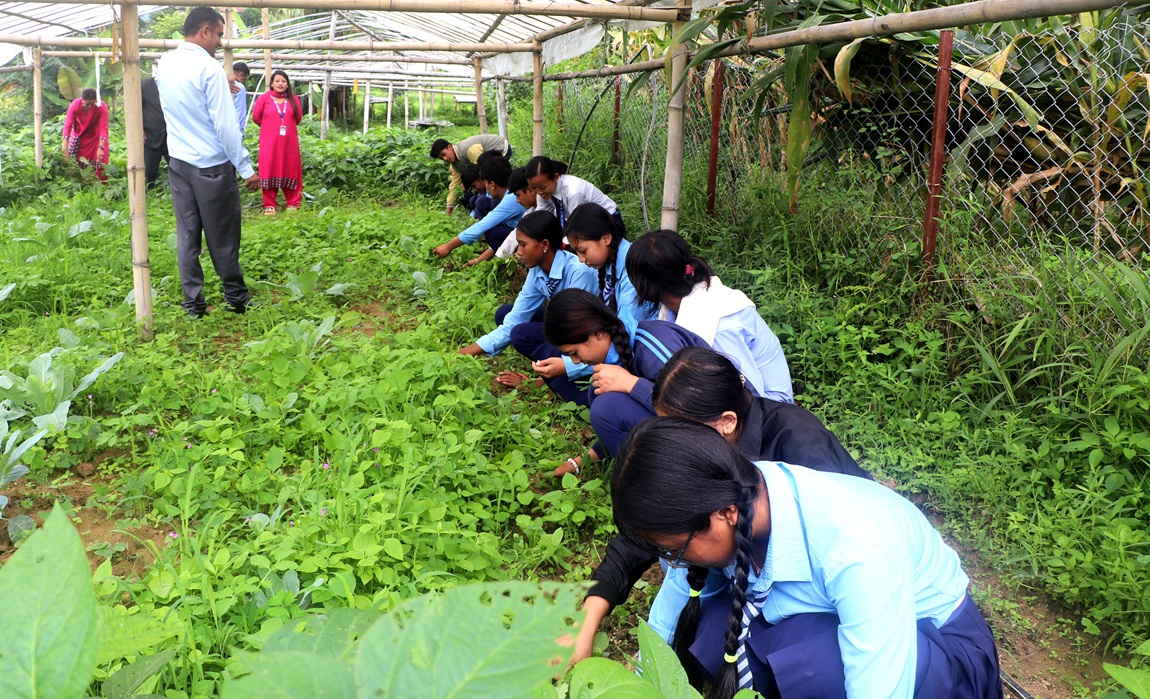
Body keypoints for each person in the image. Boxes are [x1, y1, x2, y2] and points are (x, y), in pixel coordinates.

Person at [611, 418, 1003, 699]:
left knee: (817, 664)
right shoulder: (738, 491)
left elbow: (881, 688)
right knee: (708, 616)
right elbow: (671, 611)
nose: (673, 564)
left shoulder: (859, 546)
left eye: (674, 550)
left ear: (724, 515)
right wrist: (639, 683)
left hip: (937, 652)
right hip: (832, 616)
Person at [571, 346, 871, 665]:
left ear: (727, 422)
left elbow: (844, 551)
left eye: (684, 433)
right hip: (746, 567)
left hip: (827, 590)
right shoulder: (703, 459)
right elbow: (652, 522)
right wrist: (588, 619)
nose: (674, 448)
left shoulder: (799, 443)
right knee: (705, 631)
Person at [156, 7, 259, 318]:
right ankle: (237, 299)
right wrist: (245, 167)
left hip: (179, 164)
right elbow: (226, 127)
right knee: (223, 235)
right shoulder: (209, 69)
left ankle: (193, 305)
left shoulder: (165, 64)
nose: (218, 42)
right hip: (212, 168)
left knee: (188, 236)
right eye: (217, 34)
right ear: (204, 31)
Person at [626, 229, 793, 403]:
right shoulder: (675, 307)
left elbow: (751, 392)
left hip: (769, 407)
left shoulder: (715, 324)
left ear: (645, 286)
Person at [543, 289, 709, 462]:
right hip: (691, 428)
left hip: (716, 437)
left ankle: (659, 478)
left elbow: (698, 413)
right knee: (599, 388)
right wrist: (586, 458)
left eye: (574, 352)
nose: (575, 362)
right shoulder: (620, 347)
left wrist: (631, 384)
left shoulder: (651, 348)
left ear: (596, 333)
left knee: (606, 406)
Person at [458, 212, 598, 385]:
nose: (518, 252)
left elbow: (577, 330)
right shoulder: (537, 270)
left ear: (544, 245)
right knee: (506, 314)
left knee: (520, 334)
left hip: (585, 334)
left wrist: (534, 383)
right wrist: (462, 354)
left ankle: (551, 376)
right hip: (565, 322)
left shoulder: (579, 272)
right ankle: (548, 366)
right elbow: (516, 318)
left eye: (523, 245)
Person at [433, 157, 524, 262]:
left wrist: (448, 246)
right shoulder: (510, 195)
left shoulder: (511, 199)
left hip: (528, 240)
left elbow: (483, 225)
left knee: (492, 232)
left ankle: (516, 260)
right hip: (521, 235)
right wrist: (478, 260)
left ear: (492, 184)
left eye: (485, 183)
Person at [251, 69, 304, 215]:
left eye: (283, 81)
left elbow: (298, 118)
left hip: (289, 143)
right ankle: (269, 205)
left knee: (291, 167)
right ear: (272, 84)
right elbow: (256, 117)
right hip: (270, 143)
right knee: (269, 167)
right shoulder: (264, 99)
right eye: (277, 81)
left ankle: (293, 202)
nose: (280, 84)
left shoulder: (294, 100)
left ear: (287, 84)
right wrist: (270, 128)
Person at [525, 156, 622, 233]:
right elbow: (543, 218)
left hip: (609, 222)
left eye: (542, 188)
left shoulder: (574, 192)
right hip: (586, 223)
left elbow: (577, 226)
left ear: (556, 177)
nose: (539, 192)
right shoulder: (542, 191)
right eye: (533, 188)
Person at [431, 135, 511, 215]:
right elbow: (454, 186)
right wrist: (449, 210)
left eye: (444, 154)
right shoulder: (454, 165)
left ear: (450, 147)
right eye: (441, 158)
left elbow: (480, 169)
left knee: (486, 184)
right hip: (484, 162)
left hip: (501, 149)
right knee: (469, 191)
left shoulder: (470, 149)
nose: (445, 159)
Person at [62, 87, 109, 182]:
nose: (90, 106)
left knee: (100, 159)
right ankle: (80, 182)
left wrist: (101, 147)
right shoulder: (75, 104)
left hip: (96, 137)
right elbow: (68, 126)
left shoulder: (101, 106)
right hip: (80, 136)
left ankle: (101, 185)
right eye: (87, 104)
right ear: (82, 100)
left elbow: (103, 128)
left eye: (92, 104)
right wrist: (65, 148)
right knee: (75, 161)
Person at [140, 77, 169, 188]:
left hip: (171, 135)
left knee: (178, 169)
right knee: (148, 172)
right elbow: (136, 108)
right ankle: (146, 195)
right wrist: (140, 129)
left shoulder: (174, 84)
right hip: (150, 135)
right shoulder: (145, 85)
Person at [230, 62, 251, 133]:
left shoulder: (220, 83)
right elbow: (240, 113)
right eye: (244, 79)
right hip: (234, 129)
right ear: (241, 75)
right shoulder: (239, 88)